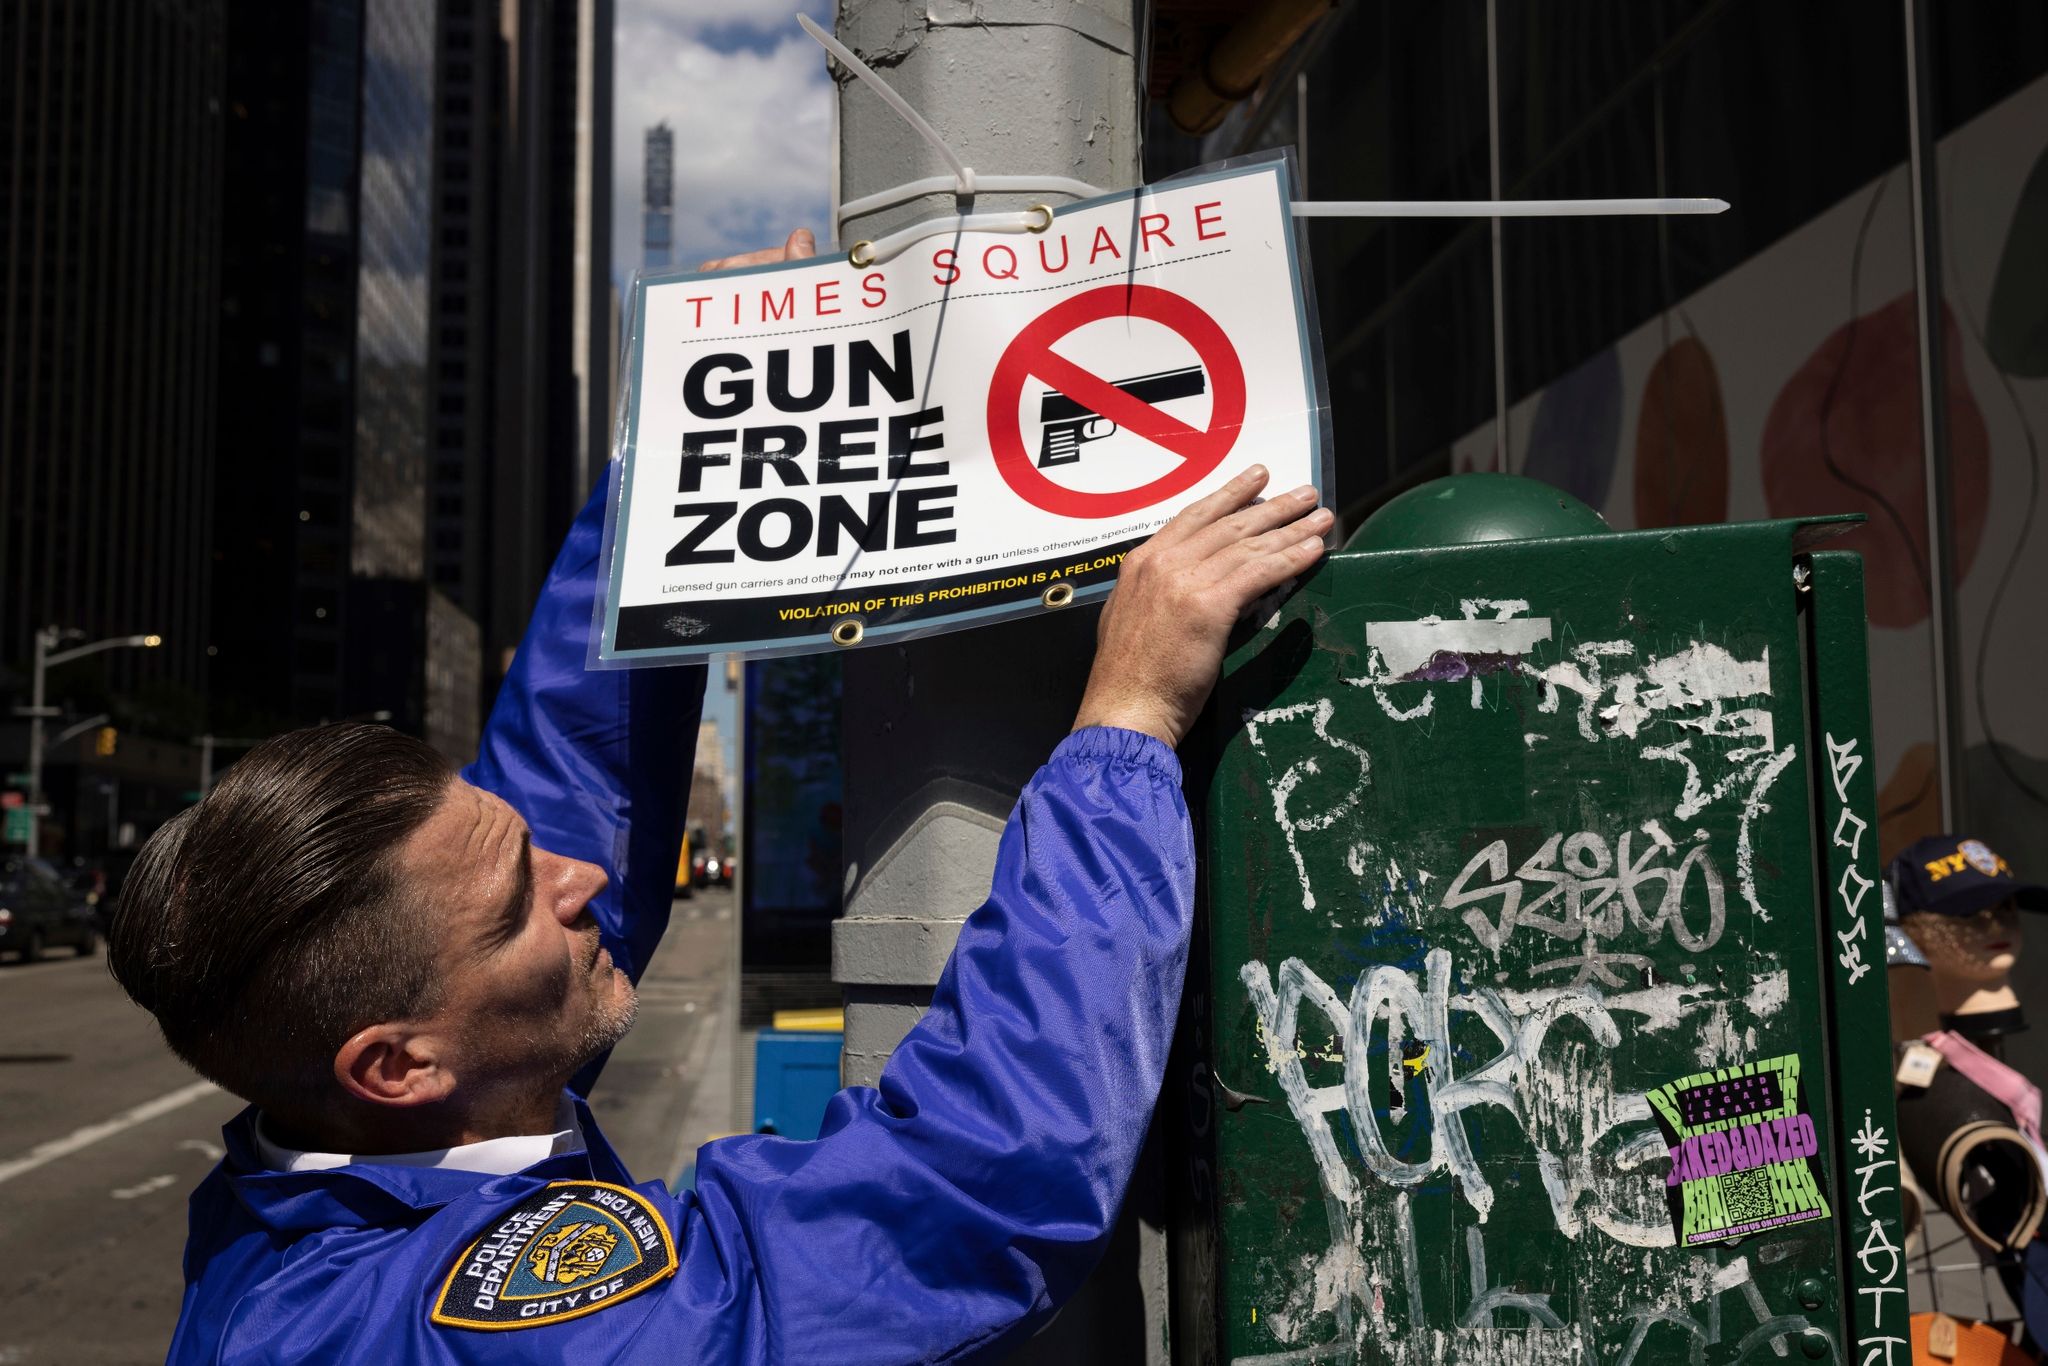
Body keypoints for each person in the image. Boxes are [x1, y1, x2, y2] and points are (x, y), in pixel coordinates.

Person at [107, 228, 1335, 1366]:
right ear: (396, 1064)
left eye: (521, 848)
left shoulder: (349, 1156)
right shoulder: (465, 1328)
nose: (578, 877)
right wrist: (1126, 720)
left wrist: (678, 452)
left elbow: (572, 785)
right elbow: (962, 1189)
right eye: (512, 910)